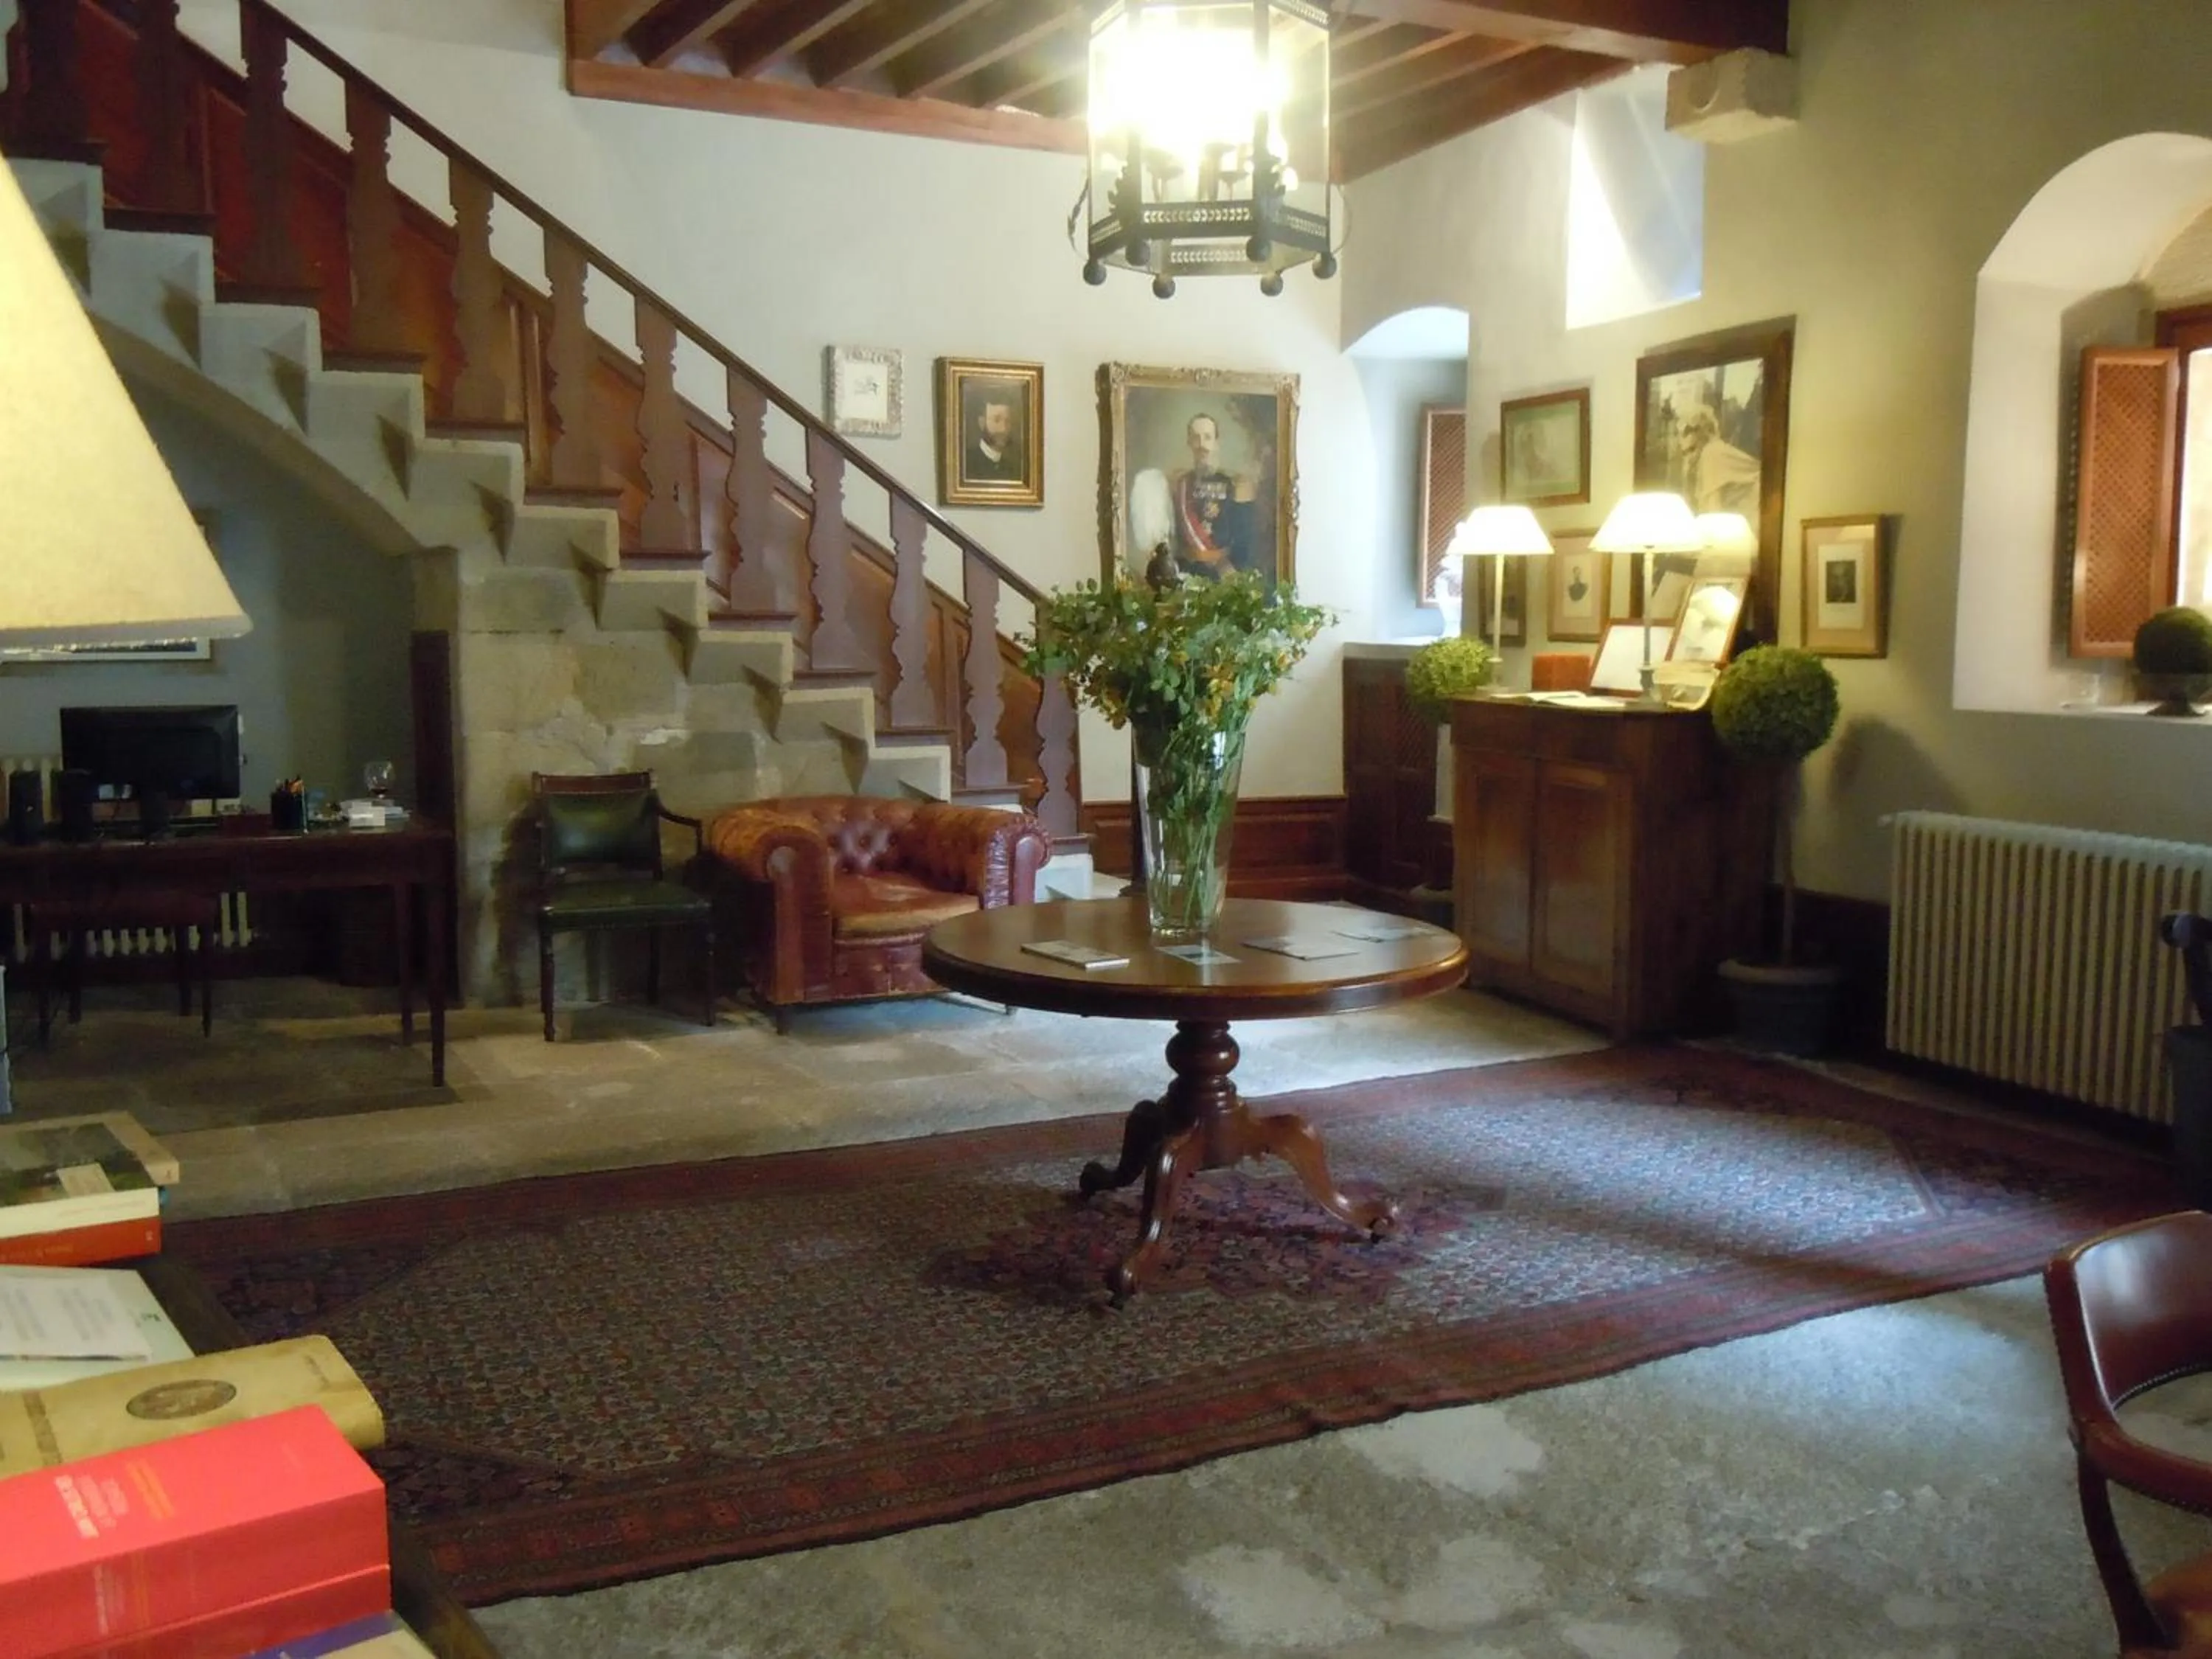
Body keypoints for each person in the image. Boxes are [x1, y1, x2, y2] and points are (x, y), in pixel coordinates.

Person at [1128, 412, 1240, 581]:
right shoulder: (1179, 484)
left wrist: (1231, 570)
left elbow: (1243, 536)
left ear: (1217, 442)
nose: (1202, 445)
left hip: (1225, 573)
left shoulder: (1235, 484)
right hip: (1187, 572)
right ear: (1189, 443)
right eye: (1196, 438)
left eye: (1208, 437)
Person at [1672, 394, 1760, 518]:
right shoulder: (1701, 456)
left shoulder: (1712, 453)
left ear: (1703, 430)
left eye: (1687, 430)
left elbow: (1712, 512)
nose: (1680, 439)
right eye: (1678, 432)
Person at [963, 389, 1023, 484]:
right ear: (982, 422)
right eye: (997, 420)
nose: (1004, 429)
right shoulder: (966, 464)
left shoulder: (1013, 470)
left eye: (1007, 421)